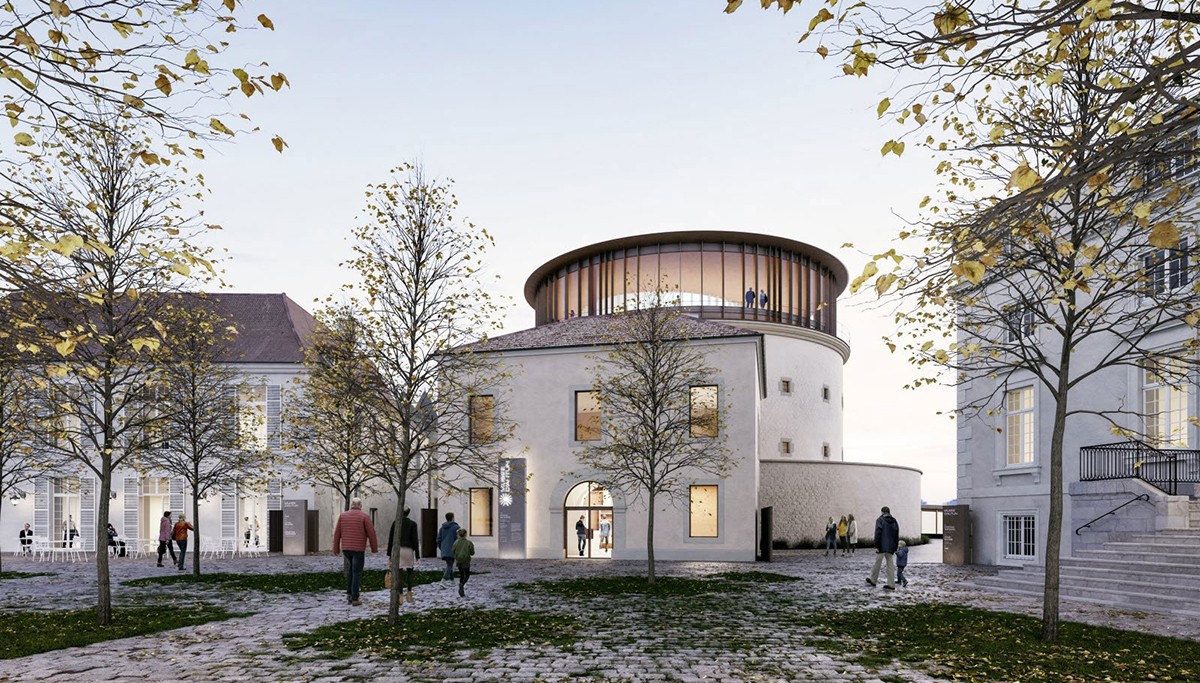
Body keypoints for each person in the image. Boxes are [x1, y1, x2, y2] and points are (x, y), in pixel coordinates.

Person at [332, 497, 379, 606]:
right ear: (360, 506)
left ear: (351, 505)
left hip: (346, 549)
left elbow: (337, 533)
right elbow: (371, 533)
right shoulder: (364, 516)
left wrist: (335, 548)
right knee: (357, 572)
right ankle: (355, 598)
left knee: (351, 571)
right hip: (358, 549)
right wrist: (374, 548)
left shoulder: (343, 516)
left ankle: (349, 593)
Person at [386, 507, 420, 603]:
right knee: (410, 572)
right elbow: (415, 540)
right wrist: (417, 555)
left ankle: (400, 595)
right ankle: (409, 593)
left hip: (397, 550)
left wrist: (389, 554)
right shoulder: (412, 524)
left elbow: (391, 539)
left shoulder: (395, 523)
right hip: (408, 550)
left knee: (399, 573)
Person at [866, 506, 900, 590]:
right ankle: (891, 584)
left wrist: (876, 545)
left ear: (882, 512)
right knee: (890, 565)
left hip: (881, 546)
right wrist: (895, 547)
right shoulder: (894, 521)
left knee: (877, 563)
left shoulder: (880, 520)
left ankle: (873, 580)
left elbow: (878, 533)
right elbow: (896, 534)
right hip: (891, 546)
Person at [436, 512, 461, 583]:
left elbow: (438, 539)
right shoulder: (456, 528)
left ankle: (452, 580)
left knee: (449, 564)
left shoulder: (442, 528)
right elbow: (458, 539)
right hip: (452, 549)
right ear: (453, 518)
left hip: (444, 549)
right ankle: (444, 579)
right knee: (450, 565)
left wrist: (442, 547)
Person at [452, 527, 475, 597]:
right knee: (467, 574)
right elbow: (472, 553)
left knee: (461, 574)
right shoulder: (469, 543)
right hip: (466, 560)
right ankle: (462, 585)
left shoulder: (456, 542)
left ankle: (461, 587)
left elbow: (453, 550)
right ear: (465, 535)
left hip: (458, 560)